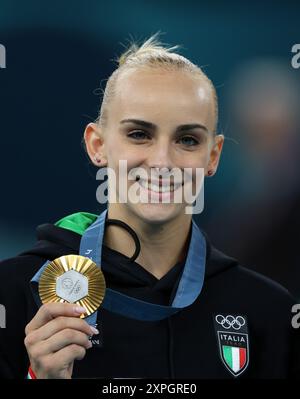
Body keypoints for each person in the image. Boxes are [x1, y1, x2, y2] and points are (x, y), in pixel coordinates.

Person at [0, 34, 299, 379]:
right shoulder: (16, 293)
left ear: (212, 156)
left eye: (187, 140)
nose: (162, 161)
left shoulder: (268, 311)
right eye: (139, 134)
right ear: (97, 145)